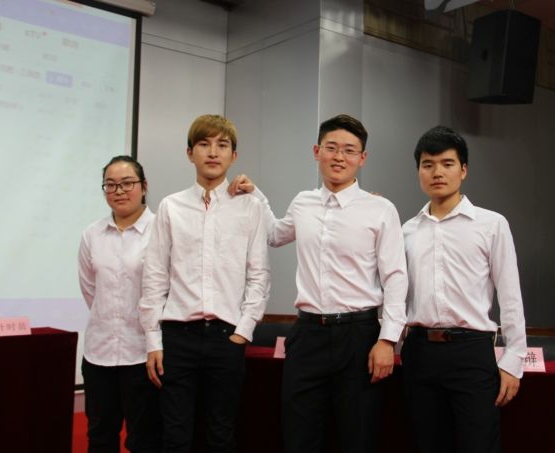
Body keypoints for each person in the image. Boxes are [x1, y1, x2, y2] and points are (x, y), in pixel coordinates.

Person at [228, 114, 408, 453]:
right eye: (331, 148)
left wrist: (388, 339)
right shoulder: (303, 202)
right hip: (308, 334)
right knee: (299, 435)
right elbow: (275, 234)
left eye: (349, 150)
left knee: (357, 437)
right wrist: (256, 195)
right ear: (317, 151)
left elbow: (396, 277)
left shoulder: (380, 209)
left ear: (362, 158)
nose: (339, 157)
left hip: (359, 335)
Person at [139, 114, 270, 453]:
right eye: (204, 144)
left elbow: (259, 275)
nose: (213, 152)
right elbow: (155, 276)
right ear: (189, 153)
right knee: (175, 435)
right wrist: (153, 340)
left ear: (233, 156)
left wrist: (243, 331)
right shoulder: (171, 206)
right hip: (177, 337)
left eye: (222, 145)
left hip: (227, 337)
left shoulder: (250, 207)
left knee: (220, 434)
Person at [401, 125, 527, 453]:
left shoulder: (491, 224)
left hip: (471, 352)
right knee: (426, 444)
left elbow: (510, 296)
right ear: (418, 171)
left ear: (464, 170)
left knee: (478, 443)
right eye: (428, 165)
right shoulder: (407, 230)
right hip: (419, 352)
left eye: (447, 163)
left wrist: (514, 359)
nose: (437, 172)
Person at [78, 155, 162, 453]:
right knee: (100, 435)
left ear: (144, 186)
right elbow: (90, 289)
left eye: (127, 183)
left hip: (144, 354)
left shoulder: (161, 229)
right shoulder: (92, 234)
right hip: (98, 353)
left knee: (145, 439)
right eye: (110, 185)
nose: (119, 191)